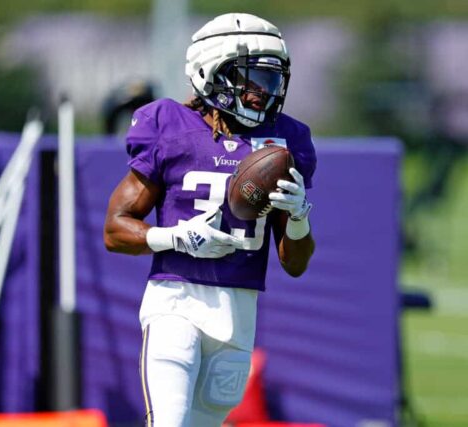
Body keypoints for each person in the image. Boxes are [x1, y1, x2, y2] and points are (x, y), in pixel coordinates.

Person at [103, 13, 316, 427]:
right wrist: (176, 238)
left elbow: (295, 263)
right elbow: (115, 228)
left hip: (239, 311)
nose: (262, 92)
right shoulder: (170, 126)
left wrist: (299, 216)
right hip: (176, 302)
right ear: (211, 72)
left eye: (272, 80)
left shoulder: (285, 140)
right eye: (251, 78)